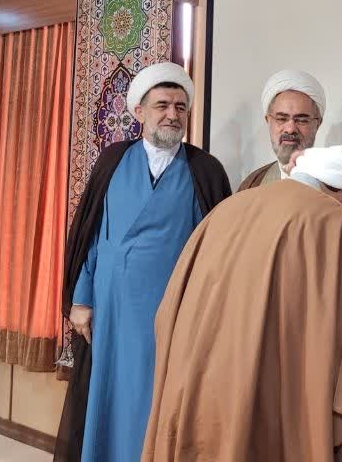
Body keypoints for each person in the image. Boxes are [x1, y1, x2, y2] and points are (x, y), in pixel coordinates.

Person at [142, 146, 342, 462]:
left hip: (196, 386)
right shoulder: (335, 222)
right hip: (271, 399)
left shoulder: (226, 209)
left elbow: (168, 311)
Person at [54, 62, 232, 462]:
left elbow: (218, 251)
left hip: (169, 312)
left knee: (152, 399)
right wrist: (81, 299)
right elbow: (90, 236)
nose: (172, 114)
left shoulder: (205, 170)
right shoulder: (112, 160)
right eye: (162, 105)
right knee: (108, 395)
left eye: (181, 107)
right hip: (111, 308)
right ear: (139, 111)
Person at [238, 69, 326, 190]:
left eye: (301, 120)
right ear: (268, 120)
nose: (290, 129)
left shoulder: (336, 186)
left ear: (318, 123)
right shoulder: (253, 185)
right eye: (281, 119)